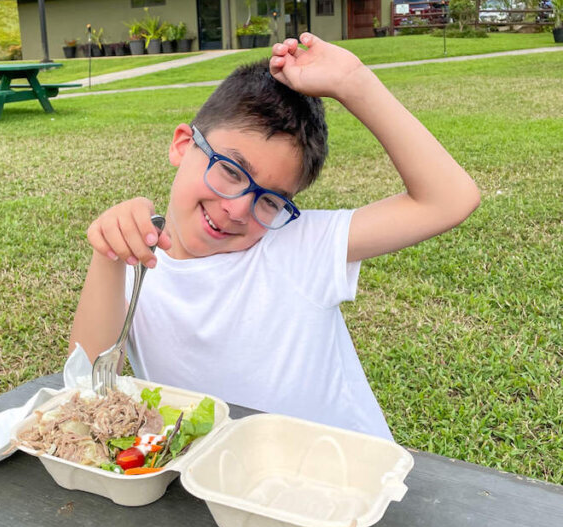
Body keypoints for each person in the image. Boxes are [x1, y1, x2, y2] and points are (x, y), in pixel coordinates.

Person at [69, 32, 480, 439]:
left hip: (343, 481)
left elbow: (449, 199)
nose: (238, 210)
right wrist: (108, 253)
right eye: (230, 171)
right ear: (182, 144)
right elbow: (86, 390)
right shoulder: (138, 265)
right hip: (220, 487)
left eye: (270, 201)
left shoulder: (297, 245)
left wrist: (354, 81)